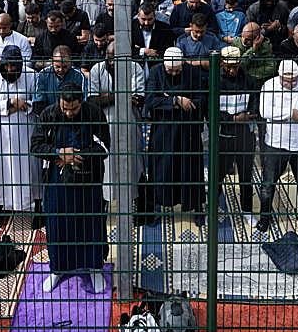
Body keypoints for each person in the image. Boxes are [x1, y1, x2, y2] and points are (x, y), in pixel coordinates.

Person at [31, 82, 110, 294]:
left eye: (73, 109)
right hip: (58, 181)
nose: (68, 112)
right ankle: (58, 268)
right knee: (58, 223)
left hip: (89, 178)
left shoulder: (93, 112)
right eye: (65, 108)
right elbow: (36, 146)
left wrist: (77, 155)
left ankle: (94, 268)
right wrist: (59, 153)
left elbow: (104, 146)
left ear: (81, 102)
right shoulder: (49, 114)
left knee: (90, 222)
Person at [143, 47, 207, 226]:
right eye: (170, 70)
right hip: (164, 131)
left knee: (191, 169)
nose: (173, 73)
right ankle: (156, 207)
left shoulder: (193, 73)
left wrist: (185, 101)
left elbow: (202, 98)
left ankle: (197, 208)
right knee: (162, 169)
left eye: (176, 70)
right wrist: (176, 100)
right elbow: (150, 100)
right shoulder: (156, 72)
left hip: (188, 131)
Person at [255, 60, 298, 234]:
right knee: (268, 184)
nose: (290, 84)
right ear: (279, 75)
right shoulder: (268, 86)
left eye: (293, 81)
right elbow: (265, 112)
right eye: (286, 81)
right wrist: (290, 113)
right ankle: (265, 218)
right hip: (276, 143)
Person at [0, 46, 42, 230]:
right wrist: (10, 103)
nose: (9, 70)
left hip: (25, 130)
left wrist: (24, 105)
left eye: (13, 67)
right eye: (6, 66)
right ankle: (0, 206)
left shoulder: (32, 75)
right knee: (1, 169)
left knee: (31, 167)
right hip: (0, 132)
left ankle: (37, 207)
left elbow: (38, 102)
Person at [86, 43, 145, 207]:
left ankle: (134, 200)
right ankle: (105, 201)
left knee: (132, 161)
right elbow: (92, 101)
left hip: (130, 121)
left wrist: (107, 97)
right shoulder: (97, 69)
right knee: (107, 163)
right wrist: (120, 95)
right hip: (104, 123)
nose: (111, 62)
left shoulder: (135, 68)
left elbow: (138, 99)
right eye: (109, 57)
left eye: (115, 59)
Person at [214, 46, 258, 223]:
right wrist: (232, 119)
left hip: (245, 135)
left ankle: (247, 210)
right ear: (223, 63)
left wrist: (248, 116)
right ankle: (214, 208)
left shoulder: (249, 80)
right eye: (228, 66)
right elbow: (211, 111)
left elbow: (256, 105)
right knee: (219, 175)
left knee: (246, 175)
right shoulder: (215, 81)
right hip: (223, 135)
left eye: (235, 66)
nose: (232, 70)